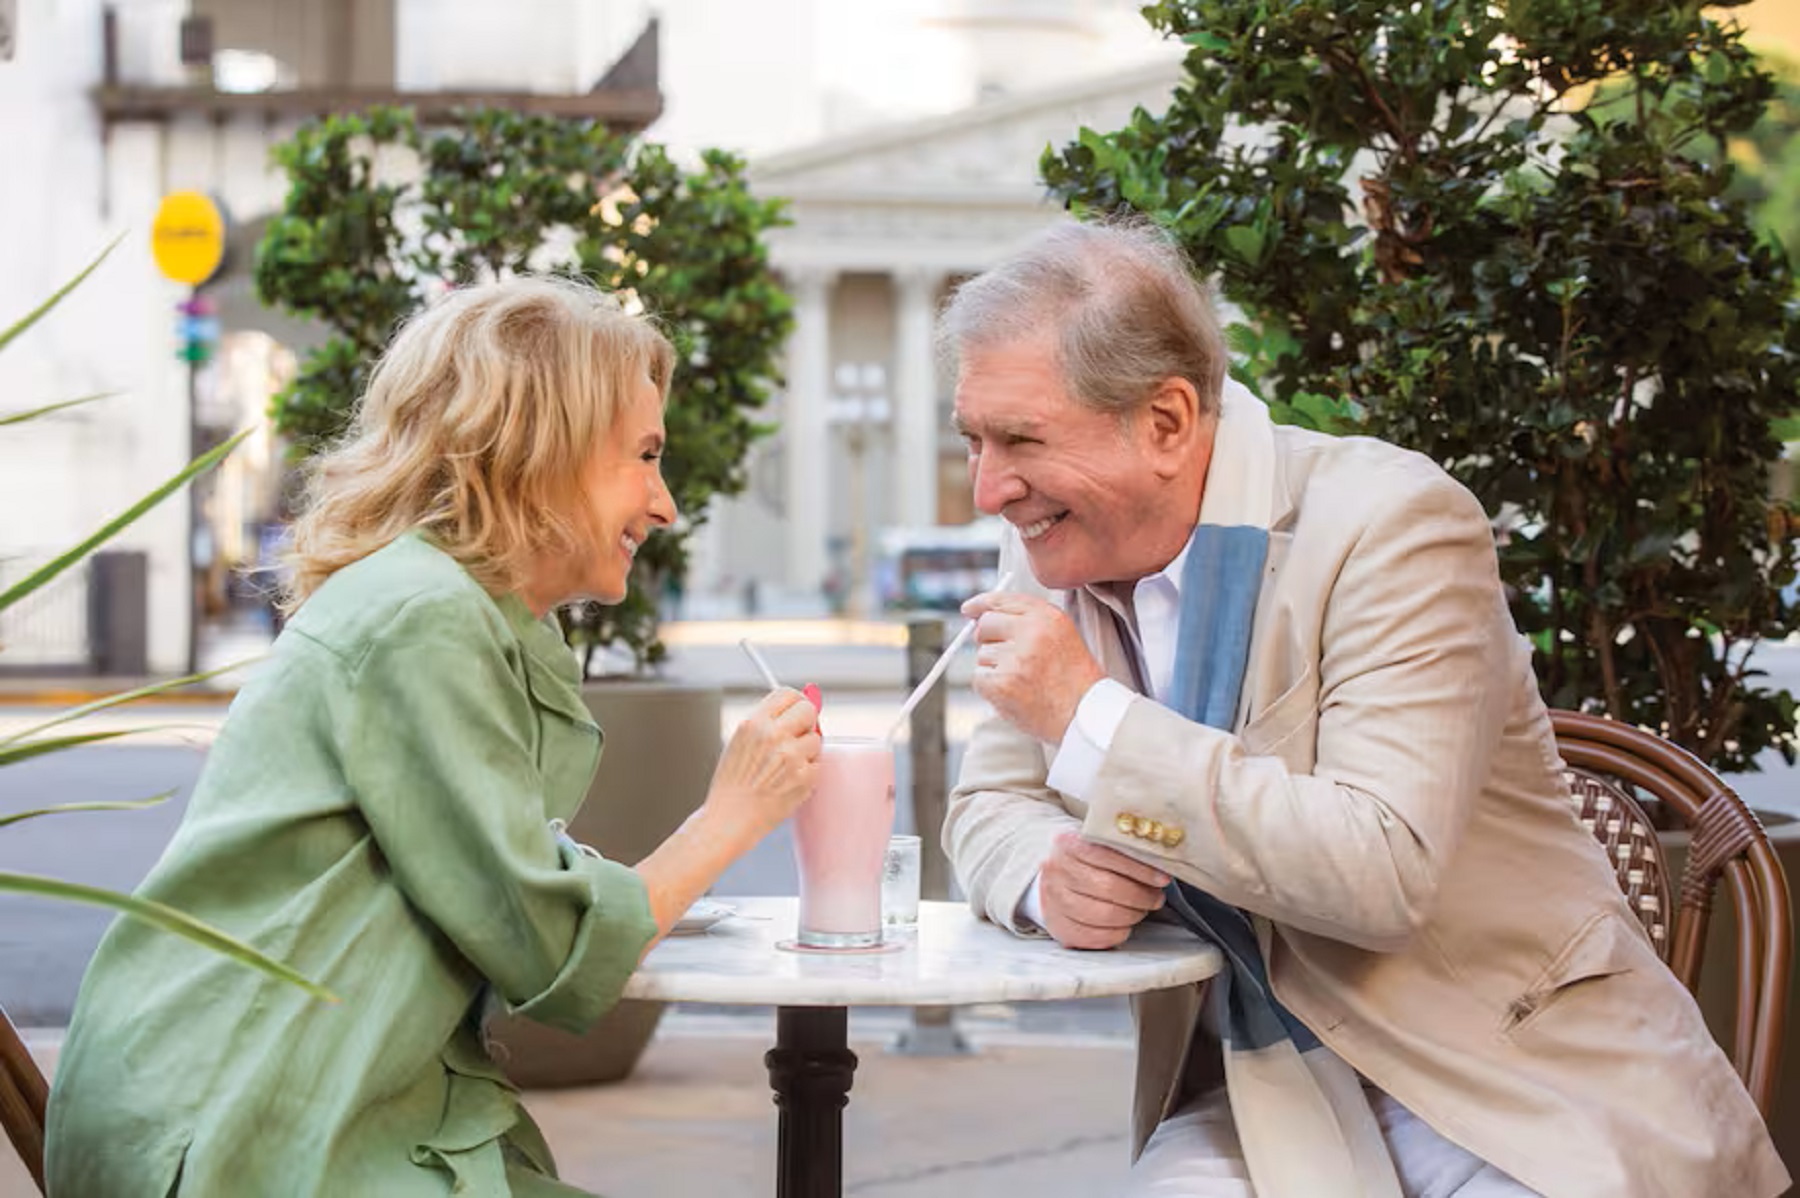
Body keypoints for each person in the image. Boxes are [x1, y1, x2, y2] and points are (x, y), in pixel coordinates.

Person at [939, 219, 1788, 1198]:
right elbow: (987, 807)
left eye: (1021, 440)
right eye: (973, 438)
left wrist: (1091, 719)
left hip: (1513, 1084)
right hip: (1269, 1092)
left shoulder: (1391, 523)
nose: (989, 489)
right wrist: (1045, 878)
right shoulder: (1054, 538)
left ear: (1168, 422)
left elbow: (1380, 869)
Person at [44, 277, 823, 1197]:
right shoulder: (422, 616)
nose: (665, 506)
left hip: (280, 1098)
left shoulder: (453, 610)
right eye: (644, 457)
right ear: (545, 448)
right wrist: (732, 814)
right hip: (244, 1124)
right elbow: (545, 946)